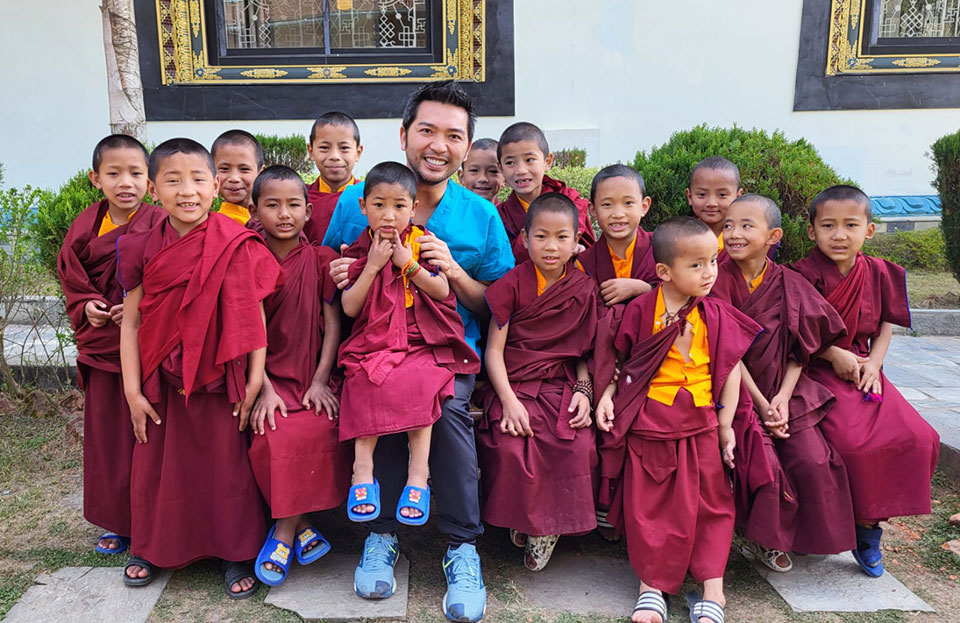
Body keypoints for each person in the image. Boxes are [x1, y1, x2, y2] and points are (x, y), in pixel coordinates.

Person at [322, 80, 513, 623]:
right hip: (374, 341)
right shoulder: (356, 201)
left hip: (448, 351)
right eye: (427, 130)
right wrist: (340, 271)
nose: (439, 145)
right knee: (374, 387)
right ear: (404, 135)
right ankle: (380, 534)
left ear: (467, 146)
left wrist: (452, 270)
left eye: (454, 136)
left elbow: (494, 303)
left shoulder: (480, 216)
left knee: (445, 406)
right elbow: (330, 272)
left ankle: (461, 545)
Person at [116, 138, 282, 598]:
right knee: (157, 465)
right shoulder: (141, 246)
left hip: (220, 376)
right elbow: (131, 321)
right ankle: (150, 546)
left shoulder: (238, 242)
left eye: (196, 180)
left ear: (215, 187)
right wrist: (132, 392)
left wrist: (254, 378)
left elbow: (254, 314)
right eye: (172, 180)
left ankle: (234, 551)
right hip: (161, 379)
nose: (186, 191)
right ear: (154, 188)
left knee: (225, 467)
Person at [595, 217, 762, 623]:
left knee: (712, 504)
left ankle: (713, 591)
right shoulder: (639, 311)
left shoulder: (717, 313)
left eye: (713, 262)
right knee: (649, 505)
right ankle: (651, 587)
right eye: (697, 265)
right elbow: (619, 363)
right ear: (664, 272)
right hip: (650, 423)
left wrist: (726, 429)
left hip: (703, 422)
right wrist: (605, 396)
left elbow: (731, 370)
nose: (709, 273)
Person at [790, 185, 940, 577]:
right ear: (811, 231)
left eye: (850, 225)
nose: (839, 235)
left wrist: (875, 362)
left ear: (869, 231)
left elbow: (887, 321)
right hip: (816, 371)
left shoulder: (878, 271)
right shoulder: (798, 275)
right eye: (828, 226)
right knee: (853, 446)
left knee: (919, 438)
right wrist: (831, 353)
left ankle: (871, 527)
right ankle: (860, 527)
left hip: (865, 371)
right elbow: (790, 333)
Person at [712, 194, 856, 570]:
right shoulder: (715, 281)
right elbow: (728, 353)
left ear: (773, 235)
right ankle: (763, 539)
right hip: (734, 388)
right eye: (728, 226)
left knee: (812, 458)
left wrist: (783, 397)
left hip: (785, 388)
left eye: (746, 226)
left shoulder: (789, 282)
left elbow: (801, 348)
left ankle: (800, 537)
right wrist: (762, 403)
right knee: (759, 458)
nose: (733, 233)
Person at [338, 161, 479, 533]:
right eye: (379, 205)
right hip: (374, 342)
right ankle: (362, 472)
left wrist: (408, 264)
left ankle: (418, 477)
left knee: (423, 384)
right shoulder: (358, 249)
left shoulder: (423, 242)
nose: (389, 215)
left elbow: (444, 292)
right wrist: (371, 266)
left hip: (422, 341)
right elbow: (350, 307)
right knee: (364, 380)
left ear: (413, 209)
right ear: (363, 206)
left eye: (399, 206)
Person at [475, 193, 599, 571]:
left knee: (576, 444)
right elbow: (493, 352)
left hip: (561, 385)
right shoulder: (511, 285)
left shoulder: (583, 289)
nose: (551, 246)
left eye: (562, 237)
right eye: (541, 236)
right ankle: (527, 521)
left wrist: (584, 391)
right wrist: (509, 401)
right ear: (525, 240)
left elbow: (583, 352)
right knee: (512, 444)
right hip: (512, 383)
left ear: (577, 241)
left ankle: (546, 530)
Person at [244, 165, 352, 587]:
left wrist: (321, 380)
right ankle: (295, 529)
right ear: (255, 210)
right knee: (273, 432)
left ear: (309, 212)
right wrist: (263, 388)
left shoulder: (321, 260)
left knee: (321, 425)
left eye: (293, 205)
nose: (284, 214)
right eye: (272, 205)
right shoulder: (248, 257)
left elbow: (333, 324)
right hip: (263, 376)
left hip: (309, 374)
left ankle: (287, 530)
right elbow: (247, 329)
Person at [57, 134, 164, 556]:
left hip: (147, 346)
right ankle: (117, 521)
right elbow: (71, 278)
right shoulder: (85, 226)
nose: (126, 183)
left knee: (149, 436)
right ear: (94, 178)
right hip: (103, 351)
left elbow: (168, 278)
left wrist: (136, 311)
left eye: (136, 173)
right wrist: (88, 308)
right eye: (114, 173)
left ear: (150, 182)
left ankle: (150, 514)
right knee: (108, 438)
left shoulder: (159, 222)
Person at [576, 164, 656, 542]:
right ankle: (605, 503)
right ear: (592, 210)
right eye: (607, 204)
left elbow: (693, 299)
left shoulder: (664, 249)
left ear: (645, 206)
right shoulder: (584, 261)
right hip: (598, 362)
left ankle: (626, 508)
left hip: (653, 364)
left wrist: (642, 288)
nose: (618, 213)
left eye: (627, 203)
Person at [496, 122, 595, 263]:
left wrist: (580, 252)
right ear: (501, 168)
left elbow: (589, 253)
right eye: (510, 163)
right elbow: (503, 263)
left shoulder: (570, 200)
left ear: (548, 161)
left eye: (529, 160)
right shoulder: (501, 215)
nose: (521, 170)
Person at [304, 112, 364, 244]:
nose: (334, 156)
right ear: (311, 151)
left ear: (358, 153)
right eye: (324, 148)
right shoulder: (300, 198)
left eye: (344, 148)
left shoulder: (368, 197)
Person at [211, 129, 264, 226]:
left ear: (261, 173)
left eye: (244, 169)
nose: (234, 178)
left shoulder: (270, 217)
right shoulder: (217, 226)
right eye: (224, 169)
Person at [458, 138, 503, 204]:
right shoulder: (451, 212)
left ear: (505, 178)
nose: (483, 179)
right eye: (474, 170)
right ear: (461, 177)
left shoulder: (506, 213)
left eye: (492, 171)